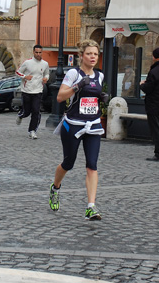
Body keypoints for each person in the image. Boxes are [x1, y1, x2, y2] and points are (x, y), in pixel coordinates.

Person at [48, 39, 109, 221]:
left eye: (95, 54)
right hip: (73, 124)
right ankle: (55, 187)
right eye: (89, 53)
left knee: (92, 164)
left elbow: (93, 95)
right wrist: (77, 86)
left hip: (93, 125)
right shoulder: (74, 73)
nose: (92, 57)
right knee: (69, 162)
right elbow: (60, 97)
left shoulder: (100, 76)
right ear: (81, 55)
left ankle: (91, 206)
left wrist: (101, 97)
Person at [15, 45, 50, 139]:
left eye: (40, 52)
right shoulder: (27, 63)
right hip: (27, 90)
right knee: (27, 112)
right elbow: (17, 72)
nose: (38, 54)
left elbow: (47, 73)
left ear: (42, 52)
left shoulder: (45, 64)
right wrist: (25, 77)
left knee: (36, 111)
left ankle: (32, 130)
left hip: (38, 90)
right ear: (33, 52)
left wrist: (46, 78)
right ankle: (21, 115)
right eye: (36, 52)